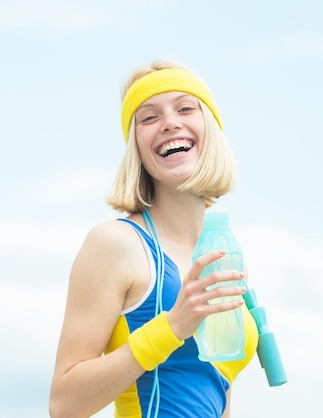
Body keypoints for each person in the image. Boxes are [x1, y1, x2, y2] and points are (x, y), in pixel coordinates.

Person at [49, 60, 259, 418]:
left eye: (185, 108)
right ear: (138, 150)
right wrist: (174, 326)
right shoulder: (115, 244)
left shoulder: (223, 254)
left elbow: (215, 391)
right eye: (149, 118)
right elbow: (64, 405)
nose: (170, 123)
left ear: (211, 129)